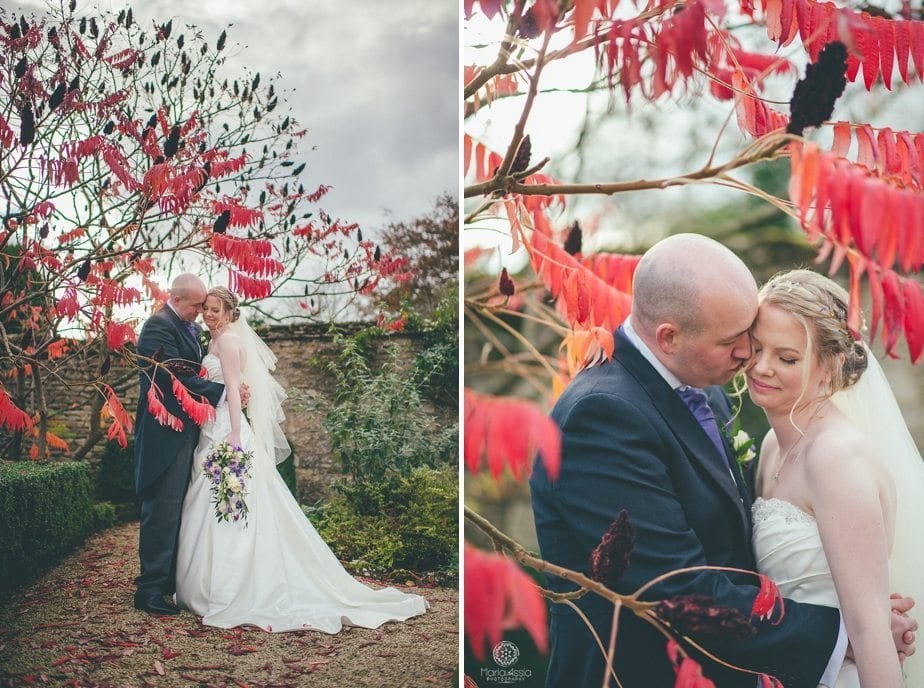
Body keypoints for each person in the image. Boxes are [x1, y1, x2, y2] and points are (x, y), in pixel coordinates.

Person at [529, 234, 917, 687]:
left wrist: (865, 619)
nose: (748, 360)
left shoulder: (706, 390)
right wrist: (838, 635)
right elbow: (672, 586)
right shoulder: (602, 416)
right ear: (669, 337)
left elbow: (732, 551)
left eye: (758, 344)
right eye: (736, 342)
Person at [174, 286, 428, 632]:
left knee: (230, 506)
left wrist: (234, 434)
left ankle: (229, 585)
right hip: (211, 426)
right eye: (206, 308)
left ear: (231, 312)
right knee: (209, 502)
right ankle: (203, 582)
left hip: (225, 431)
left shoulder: (229, 342)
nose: (209, 314)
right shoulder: (216, 341)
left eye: (215, 309)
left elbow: (233, 388)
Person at [748, 269, 924, 687]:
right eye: (756, 348)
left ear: (831, 365)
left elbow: (870, 629)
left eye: (786, 358)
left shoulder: (835, 458)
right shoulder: (775, 444)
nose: (761, 367)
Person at [134, 273, 228, 615]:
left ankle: (166, 584)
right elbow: (172, 377)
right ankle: (148, 591)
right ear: (178, 300)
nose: (201, 312)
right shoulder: (158, 327)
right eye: (197, 305)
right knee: (162, 510)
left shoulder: (187, 327)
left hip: (186, 431)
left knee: (177, 511)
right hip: (165, 434)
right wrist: (224, 392)